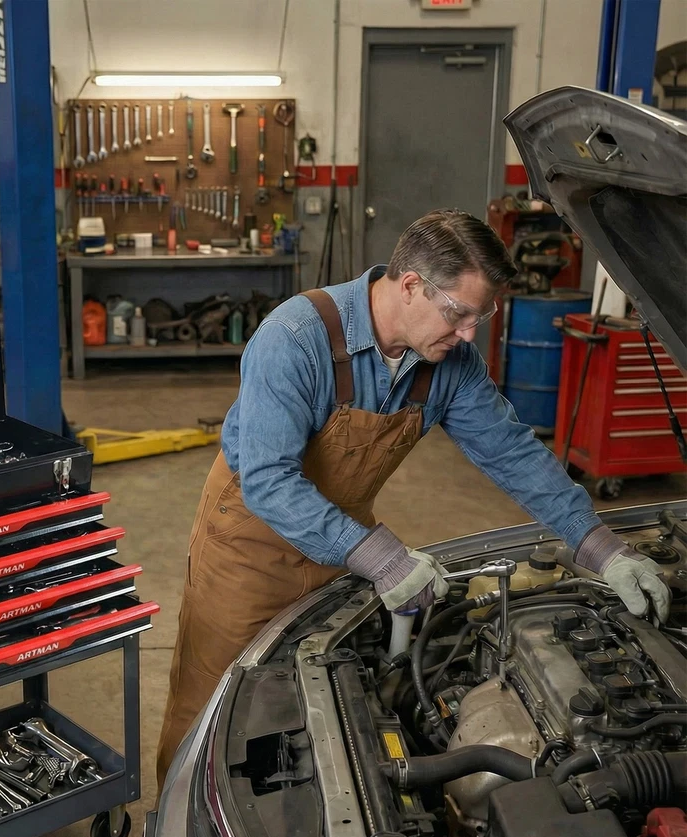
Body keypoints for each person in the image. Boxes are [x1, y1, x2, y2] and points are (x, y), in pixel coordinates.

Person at [155, 209, 671, 789]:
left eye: (481, 316)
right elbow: (269, 480)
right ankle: (171, 815)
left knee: (310, 705)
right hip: (248, 547)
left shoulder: (449, 362)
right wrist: (383, 558)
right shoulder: (295, 338)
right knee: (212, 709)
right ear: (409, 286)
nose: (469, 334)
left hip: (341, 545)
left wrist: (600, 547)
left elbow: (513, 453)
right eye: (459, 313)